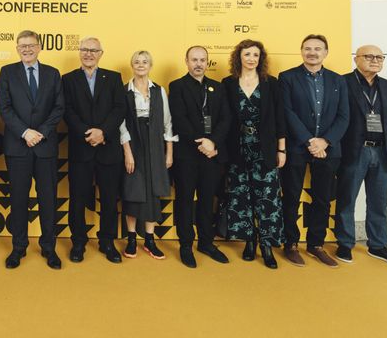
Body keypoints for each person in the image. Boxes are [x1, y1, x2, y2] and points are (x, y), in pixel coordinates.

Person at [334, 45, 387, 268]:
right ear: (356, 59)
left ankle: (378, 245)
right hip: (354, 150)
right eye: (369, 56)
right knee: (347, 199)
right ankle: (345, 243)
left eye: (379, 57)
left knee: (379, 201)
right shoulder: (342, 83)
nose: (375, 60)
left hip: (383, 151)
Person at [279, 34, 349, 268]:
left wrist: (325, 141)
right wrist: (310, 141)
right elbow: (288, 113)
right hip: (298, 147)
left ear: (326, 53)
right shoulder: (287, 77)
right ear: (301, 51)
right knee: (291, 196)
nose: (312, 52)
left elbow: (343, 116)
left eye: (318, 49)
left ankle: (316, 244)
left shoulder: (338, 81)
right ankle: (290, 244)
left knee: (322, 198)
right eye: (307, 48)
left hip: (328, 149)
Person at [0, 30, 65, 270]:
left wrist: (42, 132)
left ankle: (49, 248)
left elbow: (59, 108)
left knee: (48, 199)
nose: (27, 49)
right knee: (18, 199)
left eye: (31, 45)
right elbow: (4, 108)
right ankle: (19, 247)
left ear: (39, 47)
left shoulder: (53, 73)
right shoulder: (7, 73)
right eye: (22, 45)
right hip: (18, 146)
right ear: (17, 48)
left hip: (45, 147)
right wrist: (25, 132)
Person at [222, 40, 286, 269]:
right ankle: (249, 241)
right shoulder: (228, 84)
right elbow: (224, 119)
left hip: (265, 148)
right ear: (239, 57)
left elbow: (280, 118)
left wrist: (281, 148)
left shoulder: (271, 84)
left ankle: (267, 246)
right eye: (247, 54)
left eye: (255, 55)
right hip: (237, 148)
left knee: (267, 198)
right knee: (242, 197)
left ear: (261, 59)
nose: (251, 58)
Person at [62, 37, 126, 264]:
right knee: (77, 199)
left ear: (101, 53)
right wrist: (87, 133)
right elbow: (66, 111)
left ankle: (107, 241)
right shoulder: (68, 79)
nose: (88, 54)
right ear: (79, 52)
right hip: (81, 149)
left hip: (108, 149)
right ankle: (78, 241)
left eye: (93, 50)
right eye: (85, 50)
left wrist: (103, 132)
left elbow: (120, 109)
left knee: (109, 199)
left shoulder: (114, 78)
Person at [168, 45, 231, 268]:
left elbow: (226, 119)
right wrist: (201, 141)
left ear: (207, 62)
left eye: (202, 60)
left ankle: (206, 242)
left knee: (207, 201)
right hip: (187, 155)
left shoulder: (218, 87)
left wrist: (212, 142)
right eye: (194, 59)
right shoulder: (177, 86)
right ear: (186, 61)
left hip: (212, 155)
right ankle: (186, 244)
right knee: (185, 200)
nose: (198, 64)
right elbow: (179, 119)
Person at [118, 50, 176, 260]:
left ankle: (150, 240)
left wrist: (168, 153)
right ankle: (132, 239)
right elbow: (121, 124)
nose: (141, 65)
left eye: (145, 62)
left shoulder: (159, 91)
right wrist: (128, 153)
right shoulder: (124, 91)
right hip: (133, 144)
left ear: (150, 65)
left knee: (153, 191)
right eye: (137, 62)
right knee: (133, 190)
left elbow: (167, 123)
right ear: (131, 65)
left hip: (155, 145)